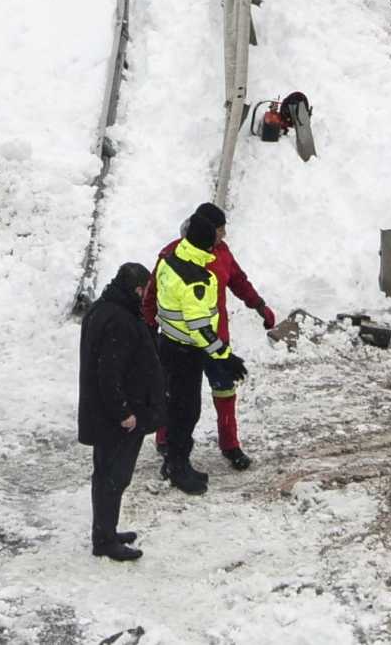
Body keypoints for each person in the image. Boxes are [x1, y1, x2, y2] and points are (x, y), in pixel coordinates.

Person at [140, 202, 275, 473]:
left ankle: (230, 444)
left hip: (216, 340)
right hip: (184, 344)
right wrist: (149, 328)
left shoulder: (222, 253)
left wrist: (258, 305)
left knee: (224, 392)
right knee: (176, 397)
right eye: (221, 230)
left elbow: (238, 281)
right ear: (208, 230)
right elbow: (153, 293)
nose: (224, 236)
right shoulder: (174, 254)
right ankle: (166, 440)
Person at [147, 206, 244, 495]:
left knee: (176, 407)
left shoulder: (170, 259)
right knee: (186, 411)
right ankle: (178, 468)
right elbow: (200, 328)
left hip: (169, 344)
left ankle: (175, 463)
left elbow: (156, 297)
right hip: (186, 352)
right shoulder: (195, 278)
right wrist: (225, 356)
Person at [78, 260, 163, 562]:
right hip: (117, 419)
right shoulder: (119, 320)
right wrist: (124, 412)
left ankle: (107, 531)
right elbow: (109, 374)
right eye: (146, 290)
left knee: (107, 474)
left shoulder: (104, 309)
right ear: (137, 289)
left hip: (105, 414)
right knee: (113, 476)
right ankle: (104, 540)